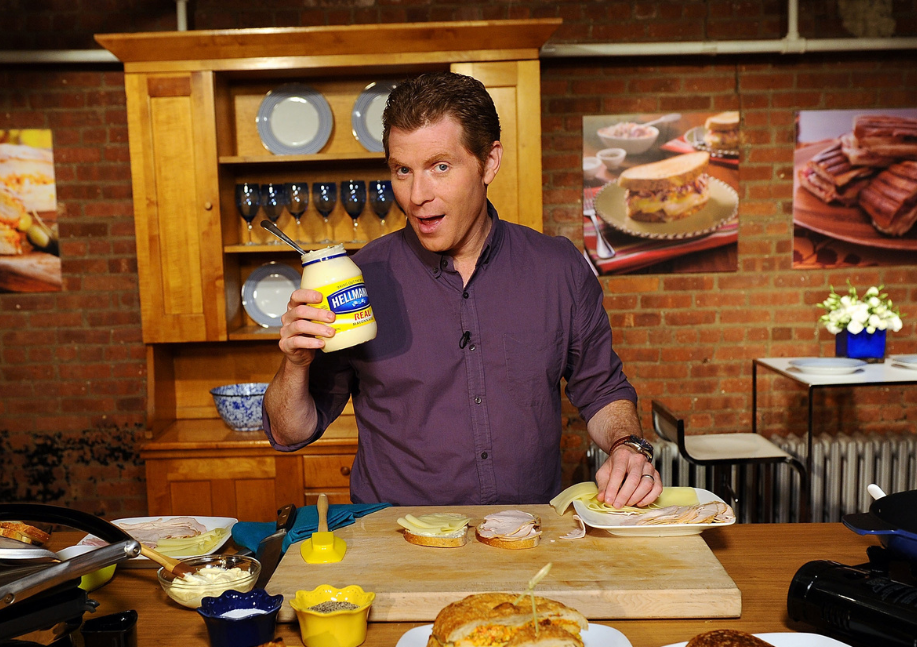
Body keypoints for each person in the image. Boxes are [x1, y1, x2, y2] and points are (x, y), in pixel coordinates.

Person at [263, 71, 662, 508]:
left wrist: (628, 445)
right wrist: (295, 363)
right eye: (402, 170)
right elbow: (290, 431)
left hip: (525, 535)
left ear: (489, 162)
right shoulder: (359, 280)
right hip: (399, 545)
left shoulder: (558, 269)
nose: (417, 195)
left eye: (440, 167)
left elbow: (603, 390)